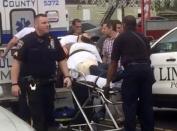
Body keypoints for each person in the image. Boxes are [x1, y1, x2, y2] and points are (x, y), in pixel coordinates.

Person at [11, 14, 72, 131]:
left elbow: (62, 59)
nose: (47, 25)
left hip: (49, 83)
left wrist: (67, 76)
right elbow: (16, 63)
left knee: (49, 114)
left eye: (48, 22)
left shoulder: (52, 39)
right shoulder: (26, 41)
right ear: (36, 25)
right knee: (37, 114)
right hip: (32, 84)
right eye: (44, 23)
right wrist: (14, 84)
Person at [104, 15, 154, 131]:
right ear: (135, 25)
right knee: (146, 105)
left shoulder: (120, 38)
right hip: (146, 71)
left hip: (132, 72)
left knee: (130, 104)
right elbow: (148, 55)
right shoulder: (143, 37)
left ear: (124, 25)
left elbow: (113, 63)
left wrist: (107, 83)